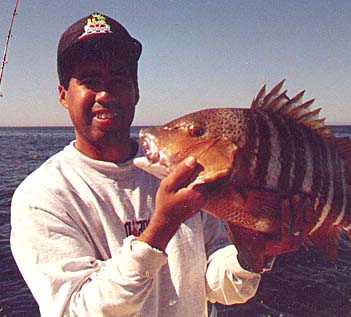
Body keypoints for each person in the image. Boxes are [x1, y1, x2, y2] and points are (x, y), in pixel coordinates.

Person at [10, 12, 270, 316]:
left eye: (118, 80)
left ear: (136, 92)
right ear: (63, 95)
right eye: (89, 81)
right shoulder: (41, 198)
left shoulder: (185, 172)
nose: (105, 93)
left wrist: (250, 258)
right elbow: (74, 309)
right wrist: (161, 228)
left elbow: (214, 282)